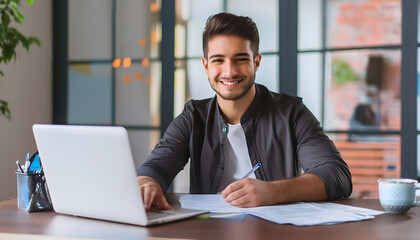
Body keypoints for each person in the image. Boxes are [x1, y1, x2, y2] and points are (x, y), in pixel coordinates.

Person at [137, 12, 352, 210]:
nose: (229, 71)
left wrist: (272, 191)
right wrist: (147, 183)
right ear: (206, 66)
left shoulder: (292, 113)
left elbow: (337, 175)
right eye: (218, 60)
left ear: (256, 62)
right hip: (206, 230)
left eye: (240, 59)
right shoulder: (193, 117)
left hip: (275, 232)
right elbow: (157, 166)